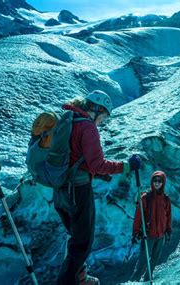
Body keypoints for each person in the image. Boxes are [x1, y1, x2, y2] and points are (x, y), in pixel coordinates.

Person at [53, 90, 141, 285]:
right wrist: (127, 166)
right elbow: (97, 163)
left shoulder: (68, 118)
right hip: (78, 191)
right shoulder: (87, 127)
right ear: (97, 109)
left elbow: (75, 157)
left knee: (74, 236)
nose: (102, 122)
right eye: (103, 117)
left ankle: (80, 278)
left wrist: (99, 174)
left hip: (60, 189)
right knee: (82, 243)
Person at [130, 171, 172, 282]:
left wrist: (168, 230)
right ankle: (133, 282)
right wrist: (135, 232)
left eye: (159, 181)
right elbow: (138, 217)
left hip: (160, 235)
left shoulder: (166, 199)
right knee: (143, 260)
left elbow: (168, 216)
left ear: (163, 183)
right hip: (148, 235)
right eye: (155, 180)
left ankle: (148, 279)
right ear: (151, 181)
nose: (157, 183)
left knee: (154, 259)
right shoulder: (145, 198)